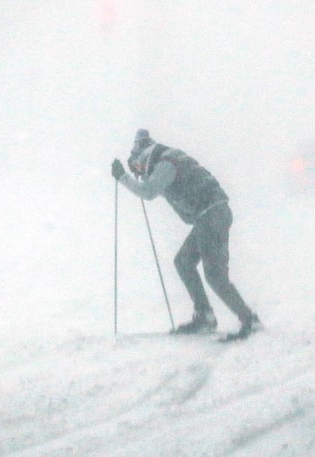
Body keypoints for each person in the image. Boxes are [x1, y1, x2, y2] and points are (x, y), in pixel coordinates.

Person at [111, 129, 261, 336]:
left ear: (145, 155)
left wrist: (123, 178)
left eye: (140, 165)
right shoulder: (168, 158)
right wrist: (138, 175)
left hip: (211, 215)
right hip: (210, 215)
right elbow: (153, 185)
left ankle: (248, 320)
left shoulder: (165, 164)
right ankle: (205, 316)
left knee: (215, 275)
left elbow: (148, 191)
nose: (141, 171)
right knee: (183, 261)